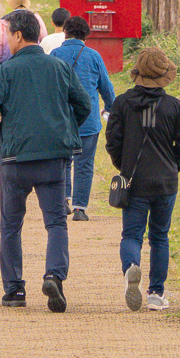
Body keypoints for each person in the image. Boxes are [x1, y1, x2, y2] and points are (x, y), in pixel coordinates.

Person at [0, 8, 92, 312]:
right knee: (56, 222)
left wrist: (0, 134)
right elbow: (83, 105)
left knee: (11, 226)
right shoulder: (58, 67)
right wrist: (66, 127)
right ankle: (54, 274)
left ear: (17, 35)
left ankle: (14, 290)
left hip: (15, 159)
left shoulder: (5, 71)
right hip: (53, 159)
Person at [104, 48, 180, 312]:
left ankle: (132, 268)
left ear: (138, 73)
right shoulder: (174, 106)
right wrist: (174, 164)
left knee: (132, 234)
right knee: (160, 236)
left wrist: (124, 166)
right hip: (166, 182)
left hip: (135, 181)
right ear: (165, 75)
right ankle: (156, 293)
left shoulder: (122, 103)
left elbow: (113, 142)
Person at [52, 16, 117, 220]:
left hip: (61, 120)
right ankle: (80, 208)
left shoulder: (54, 55)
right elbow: (107, 89)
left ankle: (64, 201)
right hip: (88, 121)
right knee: (85, 164)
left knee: (63, 161)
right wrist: (109, 108)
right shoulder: (94, 56)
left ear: (65, 32)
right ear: (86, 35)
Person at [0, 0, 41, 65]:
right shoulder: (36, 18)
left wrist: (0, 61)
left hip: (9, 62)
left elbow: (0, 43)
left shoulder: (4, 21)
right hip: (34, 61)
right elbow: (43, 38)